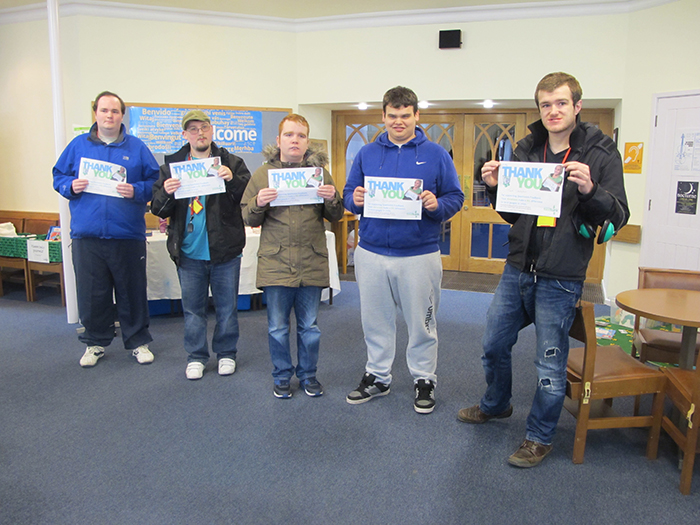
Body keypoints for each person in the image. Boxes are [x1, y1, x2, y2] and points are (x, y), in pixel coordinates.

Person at [457, 72, 629, 467]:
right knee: (493, 345)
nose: (553, 111)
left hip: (562, 276)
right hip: (518, 268)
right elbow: (515, 214)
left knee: (549, 363)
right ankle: (496, 404)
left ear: (577, 106)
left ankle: (539, 436)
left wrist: (592, 191)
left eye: (561, 103)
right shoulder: (527, 148)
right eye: (545, 104)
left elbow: (617, 217)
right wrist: (496, 187)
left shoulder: (601, 153)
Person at [343, 86, 464, 414]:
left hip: (418, 254)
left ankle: (424, 378)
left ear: (416, 116)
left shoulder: (436, 155)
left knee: (422, 322)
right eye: (392, 116)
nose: (398, 122)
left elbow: (456, 197)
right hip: (371, 252)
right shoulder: (367, 154)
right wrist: (353, 200)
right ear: (383, 116)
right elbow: (348, 192)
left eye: (405, 116)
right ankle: (378, 376)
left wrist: (436, 204)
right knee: (375, 319)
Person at [53, 90, 159, 367]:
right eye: (104, 110)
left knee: (131, 291)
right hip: (87, 235)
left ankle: (138, 341)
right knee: (92, 293)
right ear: (96, 114)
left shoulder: (137, 148)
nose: (109, 116)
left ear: (122, 116)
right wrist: (69, 186)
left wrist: (136, 190)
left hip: (127, 235)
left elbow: (155, 182)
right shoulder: (78, 146)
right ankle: (95, 343)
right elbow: (59, 175)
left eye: (114, 111)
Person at [241, 114, 343, 398]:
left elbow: (335, 215)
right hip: (276, 263)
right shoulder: (262, 174)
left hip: (310, 261)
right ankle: (282, 375)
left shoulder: (320, 172)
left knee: (310, 327)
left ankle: (309, 375)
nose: (294, 140)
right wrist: (259, 202)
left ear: (307, 141)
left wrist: (331, 197)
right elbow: (246, 214)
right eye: (289, 135)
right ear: (279, 140)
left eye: (300, 135)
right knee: (277, 327)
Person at [151, 110, 251, 380]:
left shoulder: (232, 162)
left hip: (225, 251)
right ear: (185, 135)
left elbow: (249, 199)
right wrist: (167, 192)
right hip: (188, 252)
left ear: (212, 130)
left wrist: (232, 180)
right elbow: (158, 208)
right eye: (193, 129)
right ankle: (196, 355)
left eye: (204, 127)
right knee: (193, 310)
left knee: (227, 308)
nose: (200, 133)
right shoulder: (171, 167)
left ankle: (227, 353)